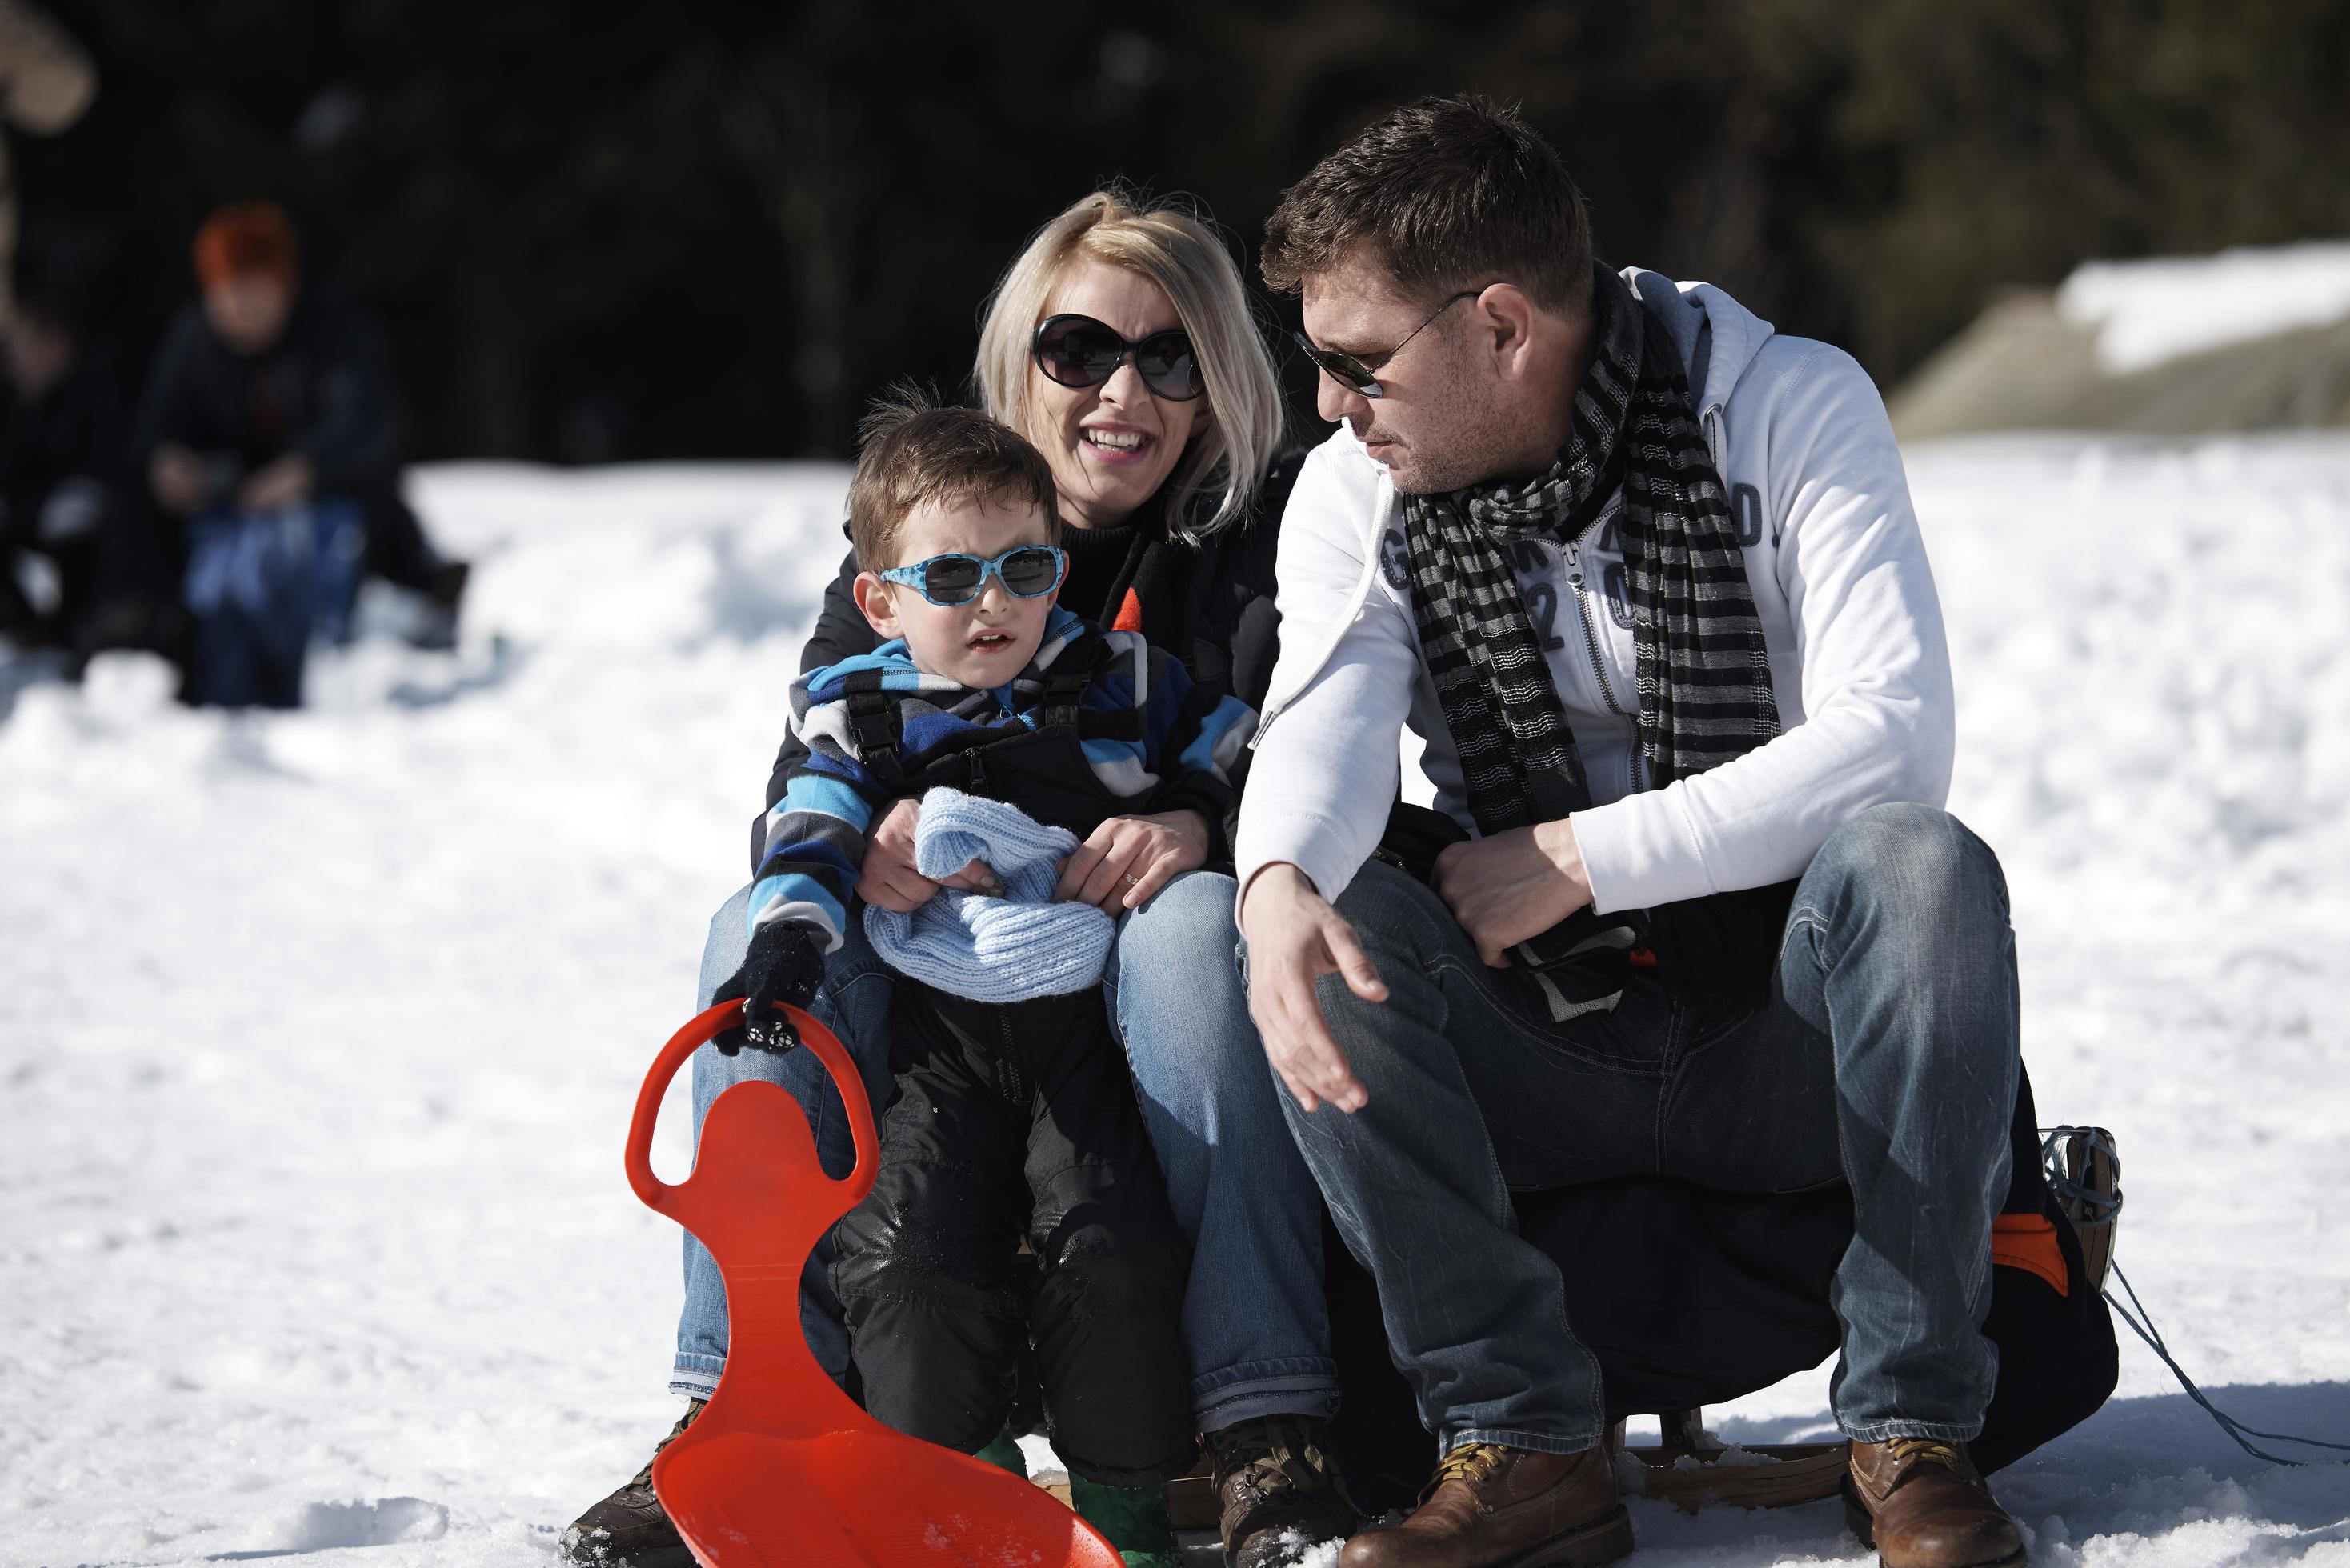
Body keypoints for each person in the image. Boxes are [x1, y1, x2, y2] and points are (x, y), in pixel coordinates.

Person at [1230, 98, 2027, 1568]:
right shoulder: (1359, 485)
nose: (1329, 401)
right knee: (1323, 917)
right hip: (1539, 1031)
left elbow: (1891, 736)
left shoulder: (1788, 404)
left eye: (1355, 360)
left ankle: (1912, 1428)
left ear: (1502, 326)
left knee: (1922, 869)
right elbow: (1326, 706)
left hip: (1776, 1025)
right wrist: (1273, 880)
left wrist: (1581, 855)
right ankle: (1519, 1445)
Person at [566, 190, 1339, 1568]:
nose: (1123, 390)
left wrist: (1204, 826)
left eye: (1169, 356)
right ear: (1021, 359)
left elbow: (1311, 755)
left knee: (1200, 925)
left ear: (1218, 381)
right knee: (753, 929)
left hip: (1132, 1001)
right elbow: (807, 766)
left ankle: (1261, 1418)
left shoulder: (1264, 547)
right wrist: (849, 854)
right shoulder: (913, 536)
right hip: (942, 1019)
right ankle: (734, 1397)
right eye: (1082, 347)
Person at [722, 394, 1257, 1562]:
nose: (994, 605)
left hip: (1083, 1034)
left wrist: (1191, 808)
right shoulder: (861, 712)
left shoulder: (1117, 679)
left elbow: (1236, 742)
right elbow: (807, 823)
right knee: (908, 1253)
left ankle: (1120, 1507)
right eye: (953, 578)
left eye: (1022, 569)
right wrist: (791, 940)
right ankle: (957, 1482)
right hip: (937, 1041)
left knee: (1111, 1247)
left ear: (1056, 571)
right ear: (881, 599)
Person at [131, 201, 466, 706]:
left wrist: (304, 471)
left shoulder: (335, 329)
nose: (241, 309)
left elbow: (369, 426)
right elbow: (159, 424)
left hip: (339, 522)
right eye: (228, 295)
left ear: (283, 284)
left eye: (254, 291)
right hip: (223, 527)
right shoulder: (194, 341)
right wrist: (169, 462)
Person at [1, 277, 127, 654]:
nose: (12, 361)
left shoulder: (98, 390)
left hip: (85, 523)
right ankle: (20, 624)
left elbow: (107, 468)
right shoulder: (13, 401)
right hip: (30, 513)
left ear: (56, 343)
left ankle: (71, 632)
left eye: (21, 347)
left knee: (73, 511)